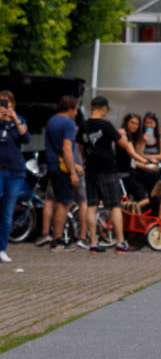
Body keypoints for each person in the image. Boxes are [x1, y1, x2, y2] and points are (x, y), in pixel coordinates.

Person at [78, 96, 132, 252]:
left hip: (90, 170)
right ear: (103, 108)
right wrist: (124, 137)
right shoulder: (106, 125)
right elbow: (122, 144)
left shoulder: (84, 125)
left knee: (92, 206)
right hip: (107, 169)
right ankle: (120, 242)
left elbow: (80, 147)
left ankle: (93, 243)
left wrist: (85, 160)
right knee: (115, 206)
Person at [40, 94, 87, 250]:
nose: (76, 113)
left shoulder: (52, 120)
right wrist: (73, 171)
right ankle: (57, 239)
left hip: (52, 165)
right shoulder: (68, 123)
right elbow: (67, 148)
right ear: (71, 108)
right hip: (63, 168)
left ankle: (54, 237)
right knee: (64, 203)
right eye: (76, 109)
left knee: (56, 201)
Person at [0, 90, 29, 265]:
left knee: (7, 212)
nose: (4, 105)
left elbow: (25, 138)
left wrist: (14, 119)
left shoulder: (19, 120)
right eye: (1, 102)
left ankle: (2, 248)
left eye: (6, 102)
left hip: (15, 172)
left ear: (13, 104)